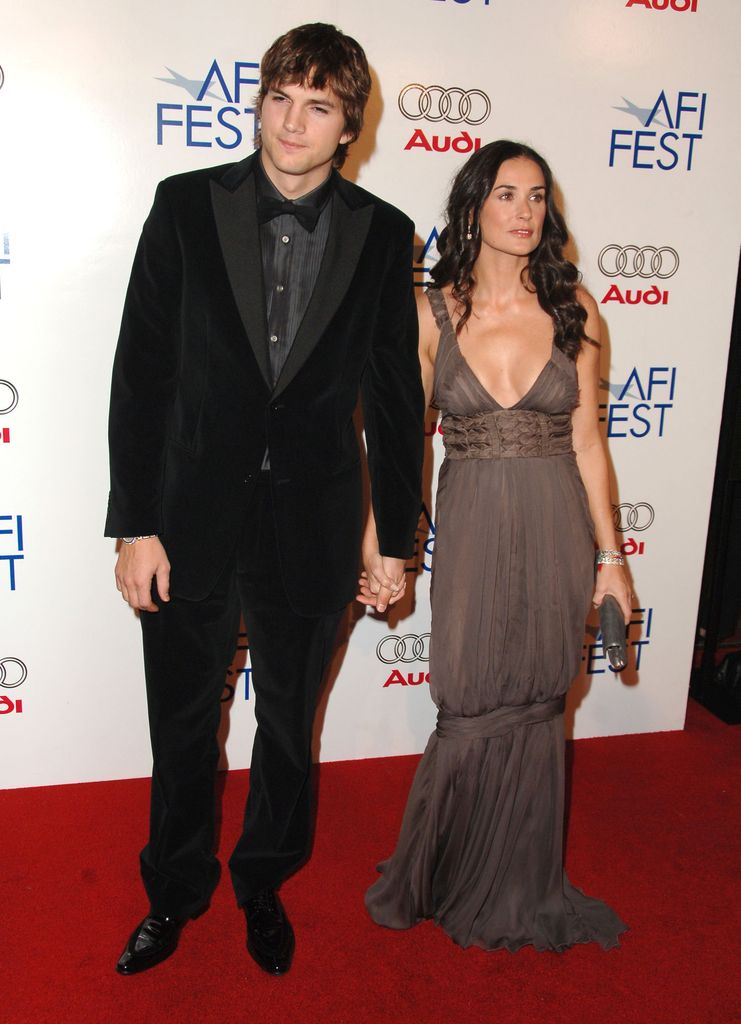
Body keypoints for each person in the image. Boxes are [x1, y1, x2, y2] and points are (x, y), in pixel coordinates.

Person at [106, 23, 424, 976]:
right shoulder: (185, 206)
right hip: (189, 515)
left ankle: (261, 882)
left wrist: (396, 537)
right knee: (182, 724)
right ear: (259, 102)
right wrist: (134, 521)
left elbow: (398, 403)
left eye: (317, 105)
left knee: (289, 725)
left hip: (314, 523)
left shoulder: (380, 233)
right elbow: (141, 372)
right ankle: (172, 892)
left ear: (347, 127)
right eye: (279, 96)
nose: (292, 121)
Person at [362, 140, 630, 952]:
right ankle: (443, 870)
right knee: (470, 694)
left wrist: (612, 561)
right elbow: (402, 442)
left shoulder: (574, 307)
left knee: (542, 695)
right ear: (472, 206)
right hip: (473, 515)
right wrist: (384, 548)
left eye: (537, 196)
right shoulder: (429, 311)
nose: (523, 212)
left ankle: (521, 882)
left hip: (555, 519)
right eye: (506, 194)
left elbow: (587, 443)